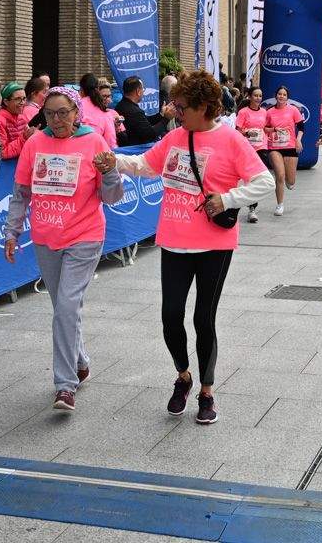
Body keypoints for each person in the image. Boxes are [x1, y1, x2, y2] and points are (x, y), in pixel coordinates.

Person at [107, 71, 276, 426]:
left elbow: (265, 181)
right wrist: (114, 160)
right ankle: (183, 376)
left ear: (203, 107)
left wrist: (228, 198)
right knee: (170, 316)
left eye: (182, 106)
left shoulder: (230, 140)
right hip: (174, 240)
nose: (176, 111)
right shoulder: (175, 138)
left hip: (214, 243)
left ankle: (207, 390)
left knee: (203, 319)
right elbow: (146, 166)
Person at [6, 88, 122, 411]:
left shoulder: (94, 142)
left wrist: (109, 171)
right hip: (46, 238)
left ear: (76, 113)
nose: (56, 120)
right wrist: (12, 232)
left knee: (67, 307)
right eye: (50, 114)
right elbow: (21, 193)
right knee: (62, 308)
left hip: (85, 237)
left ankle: (65, 385)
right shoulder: (34, 144)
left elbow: (112, 197)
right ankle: (81, 361)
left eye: (63, 113)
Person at [233, 86, 273, 224]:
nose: (258, 98)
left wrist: (274, 129)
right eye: (255, 95)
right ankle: (245, 204)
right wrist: (247, 133)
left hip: (261, 147)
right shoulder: (243, 112)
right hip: (247, 148)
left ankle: (252, 209)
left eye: (260, 96)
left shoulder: (264, 112)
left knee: (256, 179)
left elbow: (265, 128)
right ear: (249, 97)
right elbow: (237, 131)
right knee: (248, 179)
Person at [264, 86, 304, 216]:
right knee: (279, 175)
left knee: (290, 182)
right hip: (274, 147)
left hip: (290, 146)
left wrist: (298, 140)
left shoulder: (293, 110)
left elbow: (301, 126)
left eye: (284, 94)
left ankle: (290, 180)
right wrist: (273, 129)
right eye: (279, 94)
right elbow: (264, 128)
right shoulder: (269, 112)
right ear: (276, 96)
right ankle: (280, 204)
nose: (281, 96)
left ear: (287, 97)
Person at [117, 75, 174, 145]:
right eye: (143, 89)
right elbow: (150, 135)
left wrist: (161, 114)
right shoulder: (134, 111)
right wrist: (166, 119)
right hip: (135, 149)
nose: (143, 92)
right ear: (138, 91)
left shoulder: (120, 105)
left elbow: (145, 121)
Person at [79, 81, 125, 148]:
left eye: (109, 96)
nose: (108, 100)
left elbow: (123, 139)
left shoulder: (113, 113)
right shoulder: (84, 111)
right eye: (104, 96)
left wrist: (117, 128)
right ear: (96, 96)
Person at [0, 82, 31, 159]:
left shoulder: (21, 117)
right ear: (6, 102)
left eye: (24, 99)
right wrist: (24, 138)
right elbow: (2, 153)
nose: (22, 103)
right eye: (18, 99)